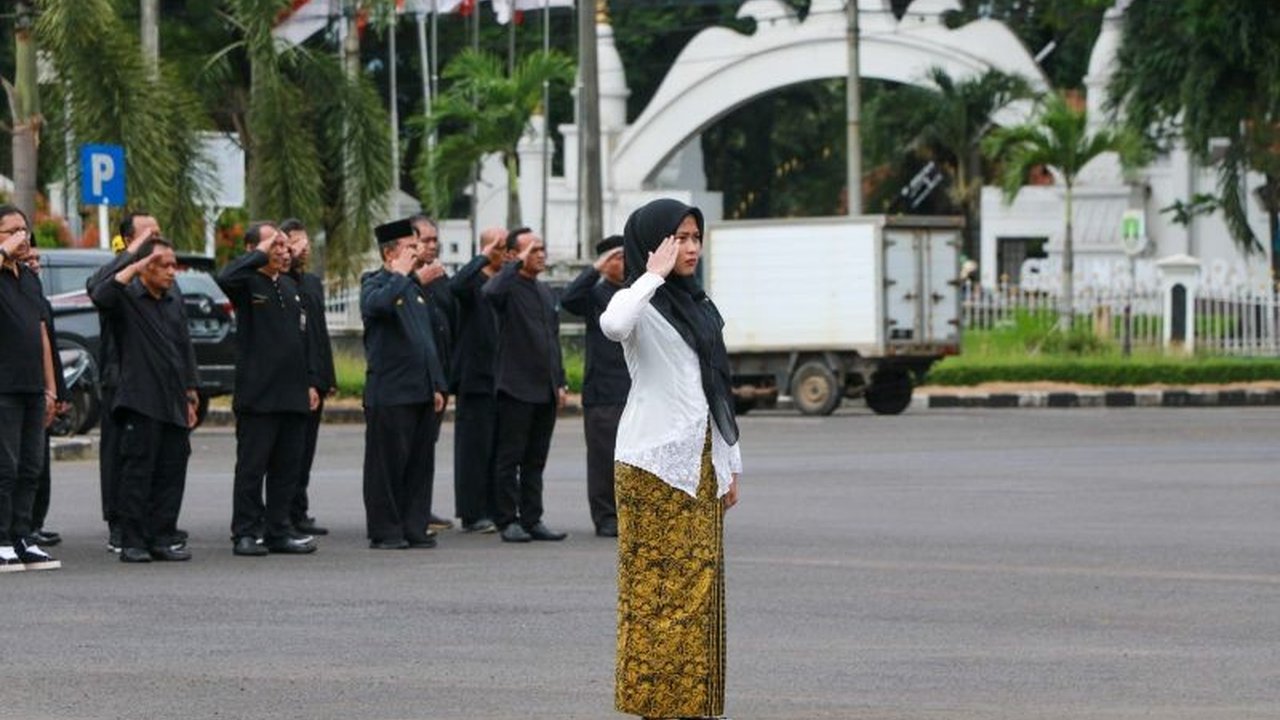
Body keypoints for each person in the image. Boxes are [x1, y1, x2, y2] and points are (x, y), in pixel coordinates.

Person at [600, 199, 742, 719]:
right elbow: (613, 325)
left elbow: (715, 390)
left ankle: (689, 705)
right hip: (651, 465)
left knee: (698, 590)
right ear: (652, 243)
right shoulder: (640, 304)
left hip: (699, 462)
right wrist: (649, 276)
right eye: (678, 238)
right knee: (656, 594)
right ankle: (655, 705)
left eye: (695, 238)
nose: (690, 248)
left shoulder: (700, 306)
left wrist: (730, 464)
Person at [90, 237, 199, 563]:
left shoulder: (171, 301)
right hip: (140, 400)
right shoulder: (127, 299)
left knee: (171, 471)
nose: (172, 272)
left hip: (173, 399)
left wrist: (191, 392)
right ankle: (133, 540)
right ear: (145, 268)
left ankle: (162, 536)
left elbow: (184, 347)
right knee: (138, 473)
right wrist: (132, 263)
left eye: (173, 265)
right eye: (164, 265)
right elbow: (100, 293)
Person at [217, 222, 320, 557]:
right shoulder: (247, 284)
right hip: (258, 395)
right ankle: (245, 531)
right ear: (254, 249)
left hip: (292, 394)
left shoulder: (290, 288)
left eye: (283, 245)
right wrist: (259, 254)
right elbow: (224, 277)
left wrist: (309, 381)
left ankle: (279, 529)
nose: (282, 250)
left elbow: (302, 341)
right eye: (273, 244)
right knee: (252, 468)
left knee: (286, 469)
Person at [360, 219, 447, 549]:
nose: (417, 251)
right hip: (390, 392)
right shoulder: (375, 282)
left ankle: (414, 526)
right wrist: (400, 275)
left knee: (419, 465)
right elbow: (377, 306)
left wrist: (436, 385)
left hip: (421, 391)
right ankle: (386, 530)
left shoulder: (413, 289)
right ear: (389, 252)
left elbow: (427, 340)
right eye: (410, 247)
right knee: (387, 466)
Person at [482, 228, 568, 543]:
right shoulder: (507, 286)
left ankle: (533, 518)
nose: (540, 254)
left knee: (536, 459)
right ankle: (508, 519)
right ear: (514, 255)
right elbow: (489, 293)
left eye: (542, 248)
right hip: (515, 387)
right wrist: (513, 264)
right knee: (510, 458)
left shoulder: (545, 292)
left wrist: (560, 381)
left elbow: (552, 342)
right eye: (532, 249)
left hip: (544, 389)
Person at [91, 210, 161, 552]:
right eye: (147, 234)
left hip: (154, 380)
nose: (154, 239)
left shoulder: (161, 276)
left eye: (157, 233)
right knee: (119, 453)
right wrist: (131, 257)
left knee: (153, 454)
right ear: (130, 240)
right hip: (120, 378)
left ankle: (150, 522)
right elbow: (96, 288)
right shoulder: (119, 275)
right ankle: (117, 523)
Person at [0, 205, 61, 571]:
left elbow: (41, 334)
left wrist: (50, 388)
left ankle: (23, 536)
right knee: (4, 467)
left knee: (30, 467)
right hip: (3, 387)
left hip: (32, 387)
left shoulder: (29, 277)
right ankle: (2, 538)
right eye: (11, 230)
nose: (22, 236)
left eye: (24, 229)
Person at [560, 235, 628, 537]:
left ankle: (631, 512)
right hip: (603, 390)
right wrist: (595, 268)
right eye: (616, 257)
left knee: (633, 458)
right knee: (603, 458)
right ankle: (605, 516)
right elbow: (568, 299)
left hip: (635, 388)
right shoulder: (594, 295)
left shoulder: (634, 294)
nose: (623, 263)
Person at [448, 227, 509, 534]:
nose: (505, 251)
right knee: (474, 449)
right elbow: (455, 286)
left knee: (500, 449)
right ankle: (473, 512)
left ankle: (498, 508)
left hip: (504, 378)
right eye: (500, 247)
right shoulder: (472, 282)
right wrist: (483, 256)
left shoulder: (503, 284)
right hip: (475, 378)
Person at [282, 218, 335, 537]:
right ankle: (283, 512)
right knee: (290, 452)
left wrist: (324, 377)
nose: (303, 250)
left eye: (306, 243)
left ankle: (298, 509)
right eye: (296, 243)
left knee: (306, 451)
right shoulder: (281, 283)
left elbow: (319, 334)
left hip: (317, 375)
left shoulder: (312, 283)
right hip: (295, 380)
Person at [409, 214, 456, 534]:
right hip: (407, 381)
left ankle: (420, 510)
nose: (431, 246)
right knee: (406, 450)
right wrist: (416, 281)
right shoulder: (393, 280)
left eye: (433, 240)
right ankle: (403, 512)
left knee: (426, 448)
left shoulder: (439, 278)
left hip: (438, 378)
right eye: (424, 240)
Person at [24, 248, 70, 548]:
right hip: (16, 390)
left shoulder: (34, 291)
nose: (35, 265)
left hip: (41, 389)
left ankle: (32, 525)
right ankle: (17, 528)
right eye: (29, 260)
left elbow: (49, 346)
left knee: (36, 464)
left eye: (37, 260)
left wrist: (58, 391)